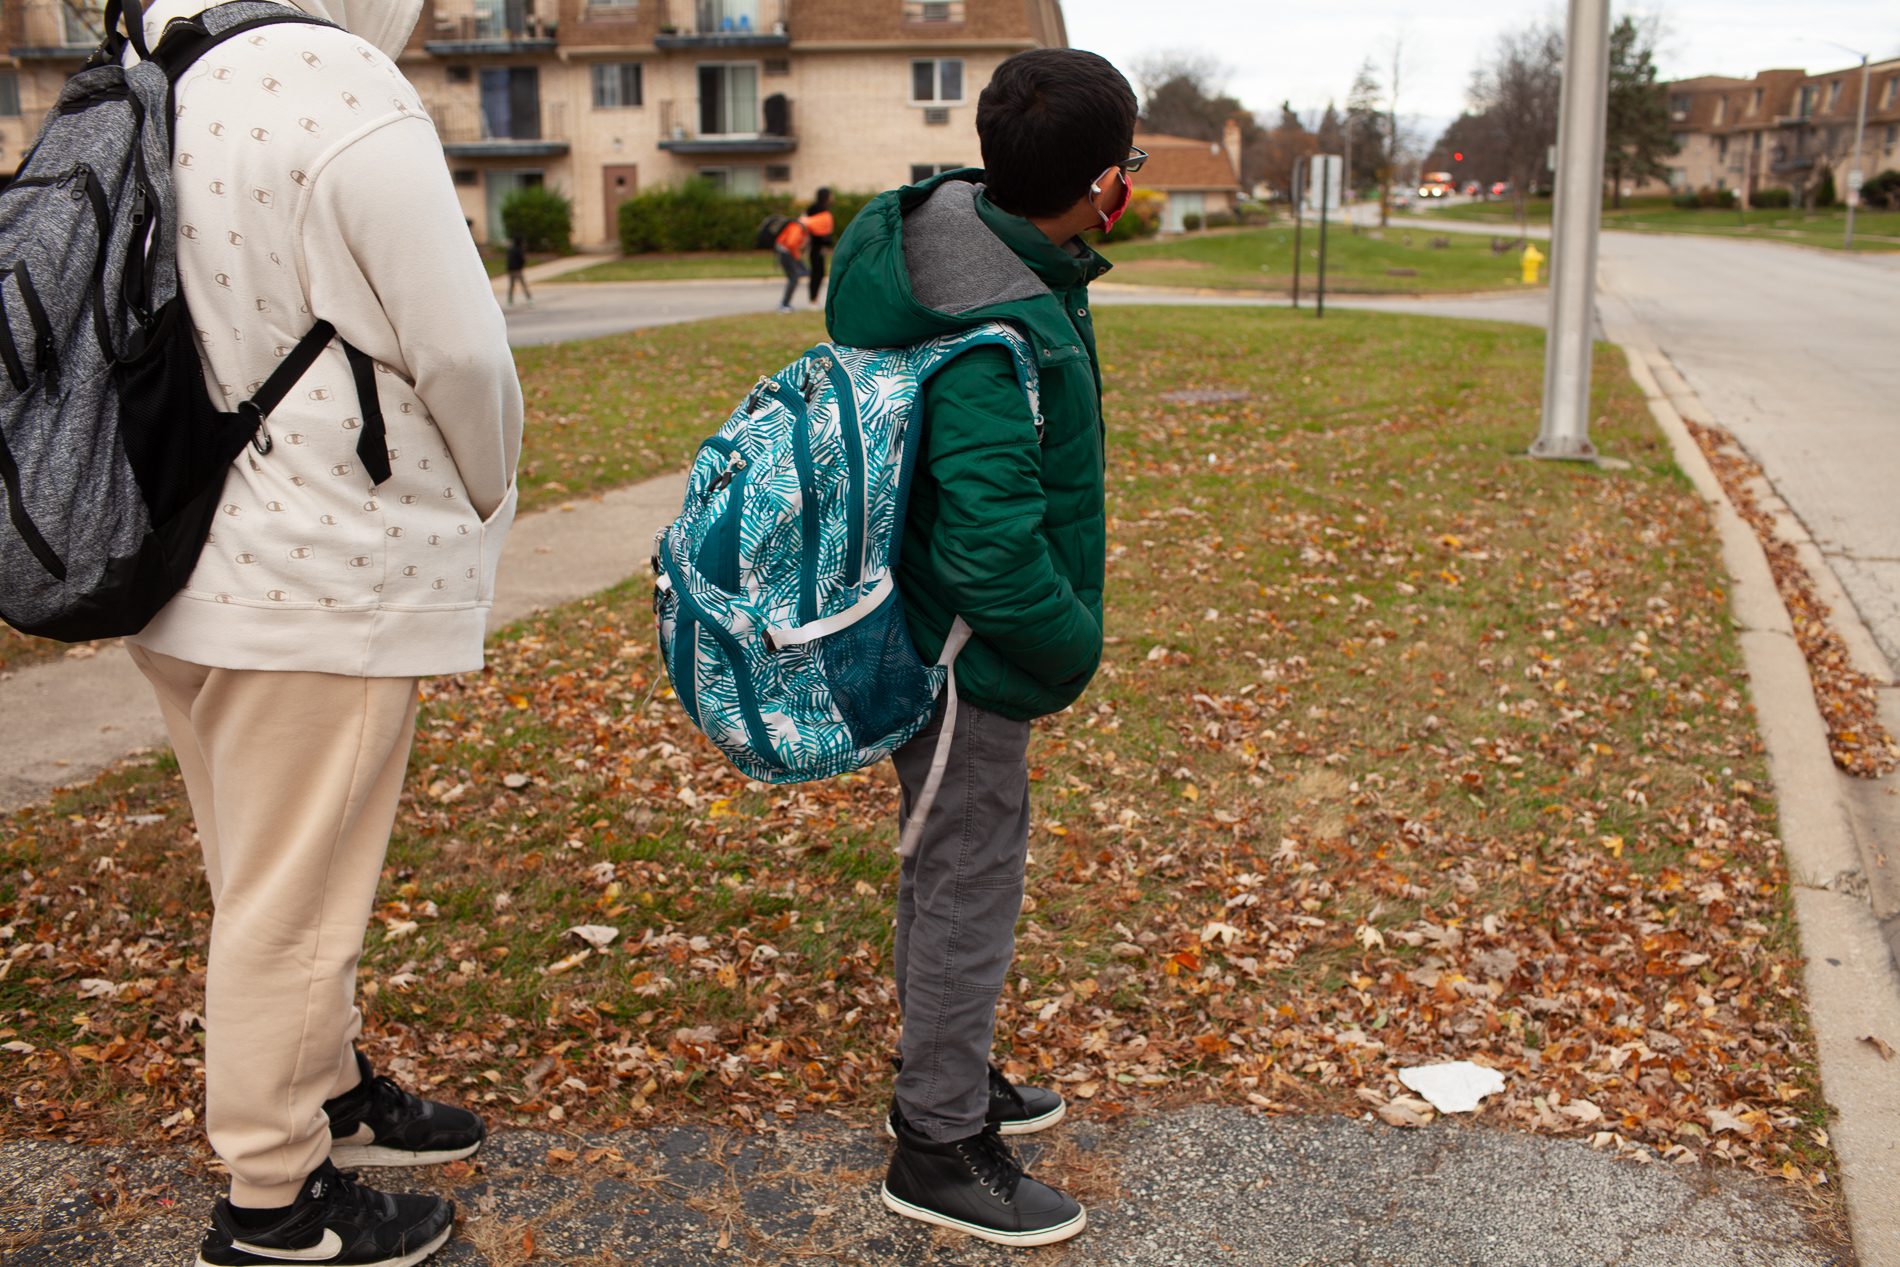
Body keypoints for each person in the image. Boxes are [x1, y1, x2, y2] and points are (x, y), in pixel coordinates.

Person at [122, 1, 523, 1264]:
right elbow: (460, 346)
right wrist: (488, 482)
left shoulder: (160, 75)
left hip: (181, 559)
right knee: (291, 904)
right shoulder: (336, 76)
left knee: (265, 872)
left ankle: (331, 1084)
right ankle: (273, 1198)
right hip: (314, 575)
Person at [823, 48, 1139, 1248]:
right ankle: (938, 1138)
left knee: (945, 862)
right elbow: (994, 550)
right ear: (1104, 184)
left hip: (928, 632)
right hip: (962, 651)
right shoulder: (986, 321)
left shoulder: (976, 240)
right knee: (967, 875)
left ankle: (952, 1072)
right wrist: (1071, 641)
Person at [774, 211, 811, 313]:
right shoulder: (797, 227)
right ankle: (784, 304)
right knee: (794, 277)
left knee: (797, 276)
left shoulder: (798, 227)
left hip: (785, 253)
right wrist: (797, 256)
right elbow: (791, 244)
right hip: (786, 253)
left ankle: (785, 303)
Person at [804, 187, 836, 306]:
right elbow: (821, 231)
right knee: (817, 273)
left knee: (818, 272)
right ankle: (813, 299)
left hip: (814, 245)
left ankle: (814, 298)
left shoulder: (812, 209)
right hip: (817, 246)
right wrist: (826, 243)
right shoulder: (820, 210)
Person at [506, 235, 533, 307]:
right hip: (517, 270)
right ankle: (529, 298)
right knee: (523, 284)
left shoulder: (511, 249)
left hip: (511, 270)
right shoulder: (519, 250)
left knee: (512, 285)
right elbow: (522, 260)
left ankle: (510, 299)